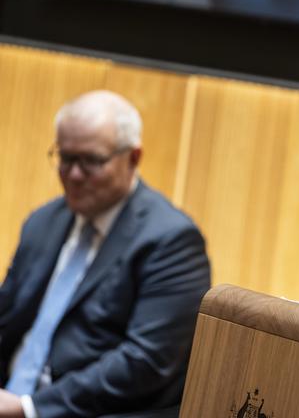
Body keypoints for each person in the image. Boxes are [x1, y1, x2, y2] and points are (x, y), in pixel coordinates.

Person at [0, 91, 211, 418]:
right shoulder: (43, 221)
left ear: (133, 158)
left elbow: (146, 361)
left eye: (91, 161)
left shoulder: (171, 240)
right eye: (65, 158)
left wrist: (29, 408)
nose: (73, 175)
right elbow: (6, 317)